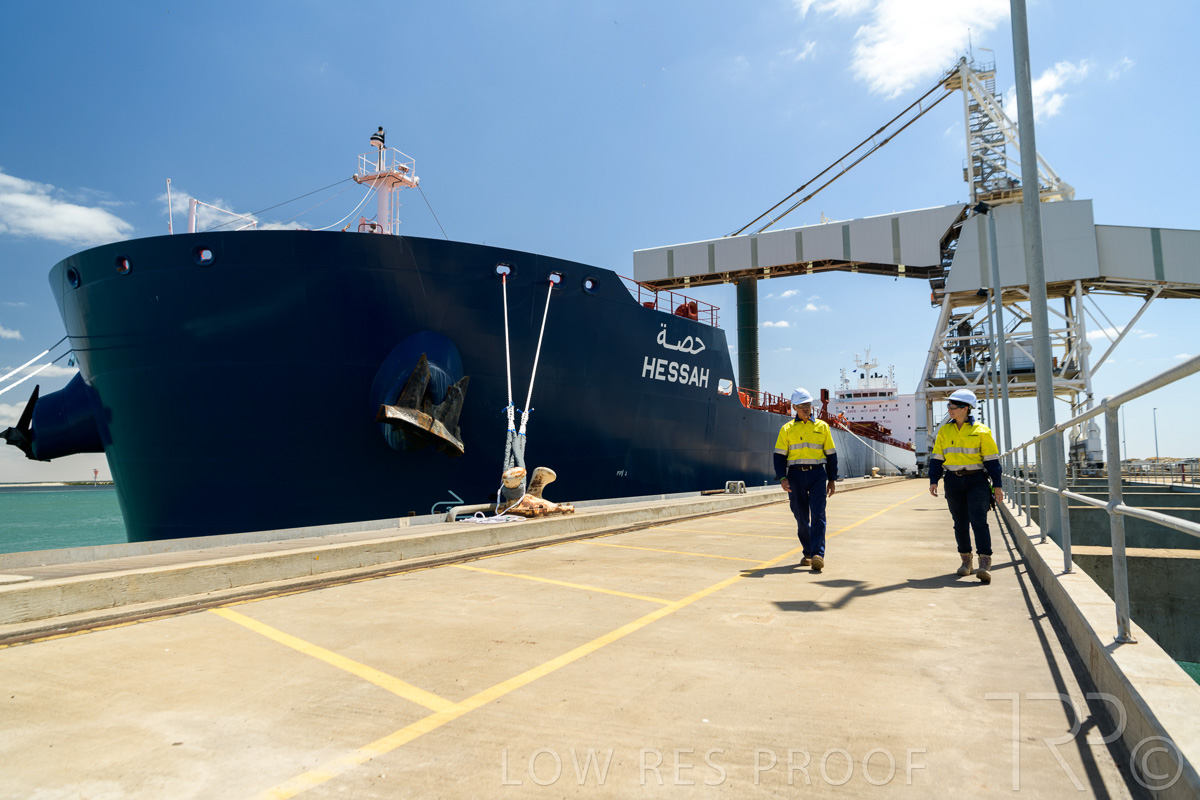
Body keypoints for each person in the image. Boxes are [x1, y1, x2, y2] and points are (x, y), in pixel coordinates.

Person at [928, 389, 1004, 583]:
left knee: (979, 522)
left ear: (965, 408)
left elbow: (992, 460)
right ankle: (966, 562)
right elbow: (937, 458)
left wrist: (997, 485)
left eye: (953, 406)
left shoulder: (981, 431)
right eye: (949, 405)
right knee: (960, 523)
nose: (949, 409)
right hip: (953, 481)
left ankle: (984, 564)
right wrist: (933, 480)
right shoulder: (944, 431)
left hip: (976, 480)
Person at [774, 388, 838, 572]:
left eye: (808, 405)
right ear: (794, 407)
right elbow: (779, 456)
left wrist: (832, 479)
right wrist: (783, 478)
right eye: (802, 406)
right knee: (801, 517)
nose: (806, 409)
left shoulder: (822, 427)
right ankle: (808, 552)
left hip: (817, 475)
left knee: (818, 515)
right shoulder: (786, 429)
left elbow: (831, 455)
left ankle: (818, 554)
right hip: (795, 476)